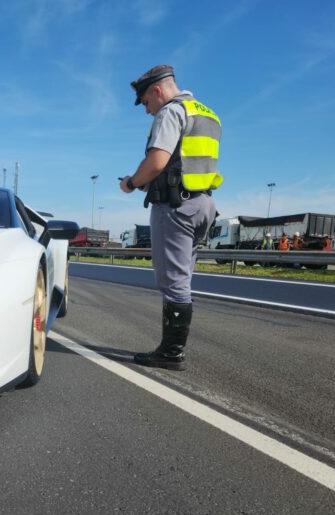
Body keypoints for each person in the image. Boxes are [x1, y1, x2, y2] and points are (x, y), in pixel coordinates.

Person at [119, 64, 221, 370]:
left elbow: (158, 160)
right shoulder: (207, 113)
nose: (148, 111)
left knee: (173, 282)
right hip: (203, 205)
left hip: (177, 207)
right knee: (184, 279)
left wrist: (132, 183)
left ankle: (171, 353)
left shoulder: (171, 112)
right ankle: (171, 348)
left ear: (157, 90)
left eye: (146, 103)